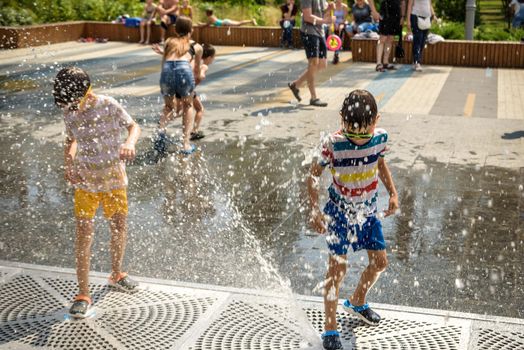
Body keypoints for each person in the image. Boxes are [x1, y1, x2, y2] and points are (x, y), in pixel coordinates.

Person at [307, 89, 399, 350]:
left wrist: (393, 193)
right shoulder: (333, 143)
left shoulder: (379, 139)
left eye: (364, 132)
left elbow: (380, 164)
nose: (358, 139)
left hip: (368, 212)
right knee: (338, 269)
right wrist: (314, 210)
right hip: (339, 213)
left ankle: (357, 301)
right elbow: (313, 176)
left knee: (380, 262)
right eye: (352, 131)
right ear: (341, 120)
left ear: (376, 121)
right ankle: (330, 328)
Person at [53, 67, 141, 318]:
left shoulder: (108, 104)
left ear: (84, 93)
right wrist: (68, 164)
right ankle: (83, 293)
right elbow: (71, 140)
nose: (69, 108)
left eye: (71, 102)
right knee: (83, 235)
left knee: (118, 227)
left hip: (114, 181)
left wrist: (129, 143)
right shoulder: (68, 111)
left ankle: (116, 274)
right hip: (86, 184)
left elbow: (134, 126)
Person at [155, 16, 200, 155]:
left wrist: (165, 79)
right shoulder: (196, 47)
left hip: (167, 70)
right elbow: (196, 71)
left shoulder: (169, 41)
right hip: (184, 70)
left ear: (175, 29)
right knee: (188, 106)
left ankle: (160, 135)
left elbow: (164, 62)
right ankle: (185, 145)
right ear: (191, 30)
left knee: (169, 107)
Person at [287, 0, 335, 107]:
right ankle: (313, 98)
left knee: (322, 65)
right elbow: (307, 17)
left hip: (320, 32)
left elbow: (321, 13)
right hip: (309, 32)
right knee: (313, 64)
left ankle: (296, 85)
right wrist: (325, 21)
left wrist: (329, 9)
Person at [368, 0, 406, 72]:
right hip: (385, 13)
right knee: (383, 38)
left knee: (390, 38)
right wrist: (374, 11)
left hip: (396, 15)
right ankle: (378, 63)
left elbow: (403, 1)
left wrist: (403, 16)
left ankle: (385, 62)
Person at [191, 43, 216, 140]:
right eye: (213, 58)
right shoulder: (204, 66)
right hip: (189, 90)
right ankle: (194, 131)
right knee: (200, 109)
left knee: (181, 110)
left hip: (184, 88)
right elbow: (200, 75)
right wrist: (201, 75)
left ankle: (164, 121)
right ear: (209, 57)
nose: (213, 60)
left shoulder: (194, 60)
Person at [406, 0, 436, 71]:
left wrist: (433, 15)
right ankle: (417, 62)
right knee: (417, 40)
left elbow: (429, 4)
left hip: (427, 18)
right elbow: (409, 6)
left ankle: (415, 61)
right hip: (416, 17)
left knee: (423, 41)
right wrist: (408, 21)